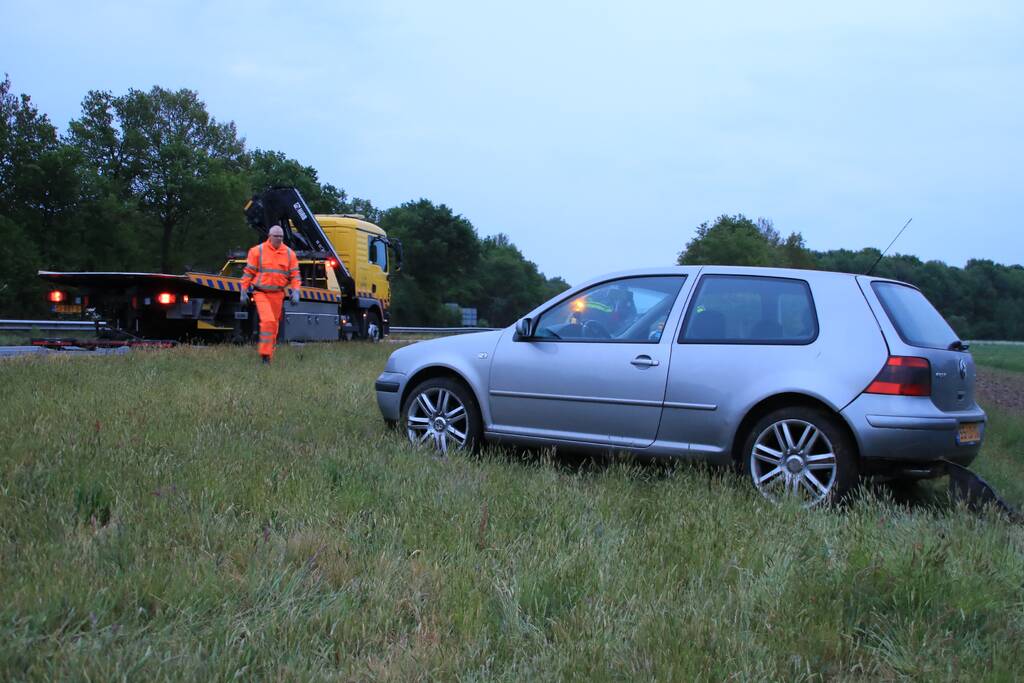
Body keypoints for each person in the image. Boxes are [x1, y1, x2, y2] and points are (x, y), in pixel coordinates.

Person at [240, 225, 301, 364]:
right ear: (269, 236)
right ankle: (265, 356)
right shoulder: (257, 251)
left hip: (278, 294)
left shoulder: (289, 253)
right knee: (267, 321)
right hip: (260, 293)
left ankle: (269, 356)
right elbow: (248, 273)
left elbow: (295, 275)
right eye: (276, 236)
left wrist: (296, 291)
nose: (278, 239)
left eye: (281, 237)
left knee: (274, 326)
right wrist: (243, 291)